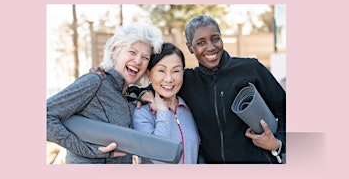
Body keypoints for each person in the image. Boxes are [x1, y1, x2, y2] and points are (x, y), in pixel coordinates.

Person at [90, 15, 286, 164]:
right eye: (201, 42)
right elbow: (154, 84)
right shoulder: (188, 80)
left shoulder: (250, 69)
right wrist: (108, 76)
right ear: (190, 47)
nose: (210, 47)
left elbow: (286, 109)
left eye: (215, 39)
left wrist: (278, 144)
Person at [46, 22, 163, 164]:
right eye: (132, 52)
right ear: (116, 50)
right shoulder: (95, 81)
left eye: (145, 57)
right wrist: (88, 150)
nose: (138, 61)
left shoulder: (131, 96)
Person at [132, 42, 200, 164]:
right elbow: (157, 153)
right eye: (161, 71)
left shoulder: (189, 108)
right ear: (149, 74)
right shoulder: (142, 113)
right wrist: (163, 112)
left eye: (176, 71)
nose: (169, 79)